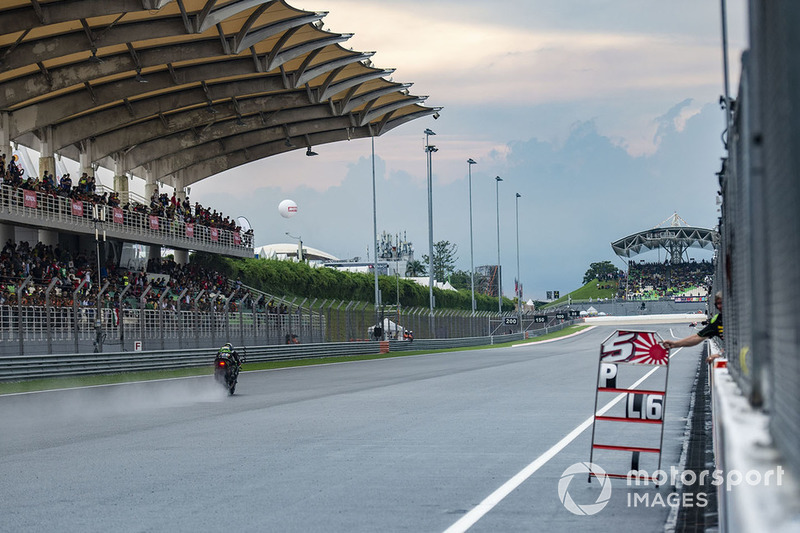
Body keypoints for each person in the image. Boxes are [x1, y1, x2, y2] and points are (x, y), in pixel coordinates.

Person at [662, 292, 722, 362]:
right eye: (718, 303)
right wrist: (675, 344)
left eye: (722, 303)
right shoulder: (717, 320)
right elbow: (697, 337)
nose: (720, 306)